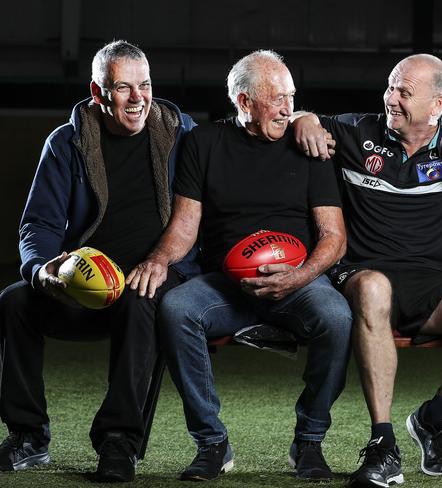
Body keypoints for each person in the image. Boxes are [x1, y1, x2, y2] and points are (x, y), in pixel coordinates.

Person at [292, 54, 442, 487]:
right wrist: (304, 117)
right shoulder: (355, 131)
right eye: (390, 87)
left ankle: (436, 417)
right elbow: (300, 115)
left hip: (433, 284)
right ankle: (383, 443)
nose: (390, 98)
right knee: (375, 287)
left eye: (404, 92)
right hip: (361, 276)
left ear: (438, 104)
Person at [128, 49, 352, 482]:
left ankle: (309, 441)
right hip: (225, 285)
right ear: (244, 102)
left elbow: (334, 238)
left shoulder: (310, 146)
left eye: (292, 97)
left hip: (298, 282)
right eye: (276, 98)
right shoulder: (204, 143)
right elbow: (184, 227)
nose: (288, 108)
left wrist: (299, 276)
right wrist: (157, 259)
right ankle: (212, 444)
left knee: (338, 317)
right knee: (176, 308)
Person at [0, 40, 198, 482]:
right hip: (85, 284)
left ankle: (118, 442)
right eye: (123, 87)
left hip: (153, 275)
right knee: (14, 301)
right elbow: (37, 225)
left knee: (139, 297)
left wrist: (301, 118)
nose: (137, 98)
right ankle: (28, 436)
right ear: (97, 92)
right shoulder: (67, 142)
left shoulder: (182, 134)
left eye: (144, 85)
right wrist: (42, 271)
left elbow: (234, 146)